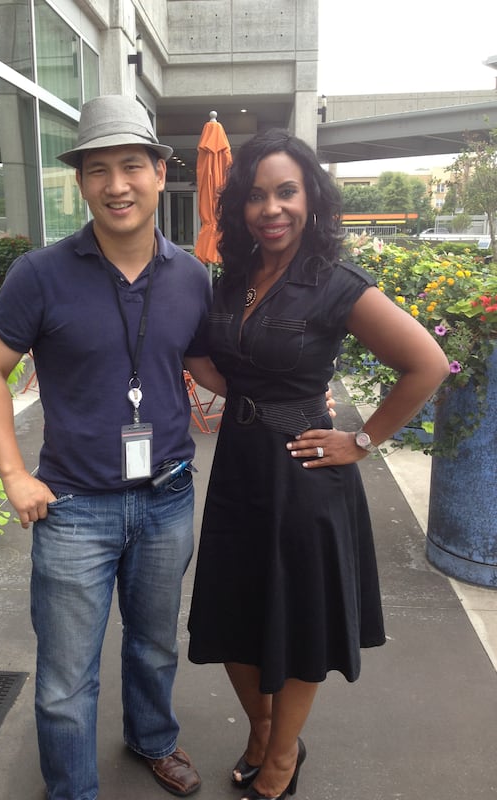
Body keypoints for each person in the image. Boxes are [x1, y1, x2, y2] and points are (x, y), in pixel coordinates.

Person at [0, 94, 225, 800]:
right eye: (99, 169)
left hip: (168, 495)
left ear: (159, 170)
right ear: (80, 183)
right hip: (73, 508)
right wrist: (13, 474)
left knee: (154, 644)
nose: (117, 184)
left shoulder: (190, 277)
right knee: (64, 676)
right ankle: (72, 790)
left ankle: (153, 740)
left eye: (131, 165)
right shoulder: (39, 275)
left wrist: (289, 380)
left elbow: (205, 367)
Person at [187, 129, 450, 800]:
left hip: (304, 478)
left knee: (300, 616)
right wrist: (227, 383)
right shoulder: (236, 278)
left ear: (311, 198)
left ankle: (280, 759)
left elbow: (425, 364)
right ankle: (265, 725)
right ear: (239, 208)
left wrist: (361, 442)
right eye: (255, 196)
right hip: (240, 468)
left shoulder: (336, 283)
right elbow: (210, 356)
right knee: (231, 610)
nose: (271, 209)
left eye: (286, 192)